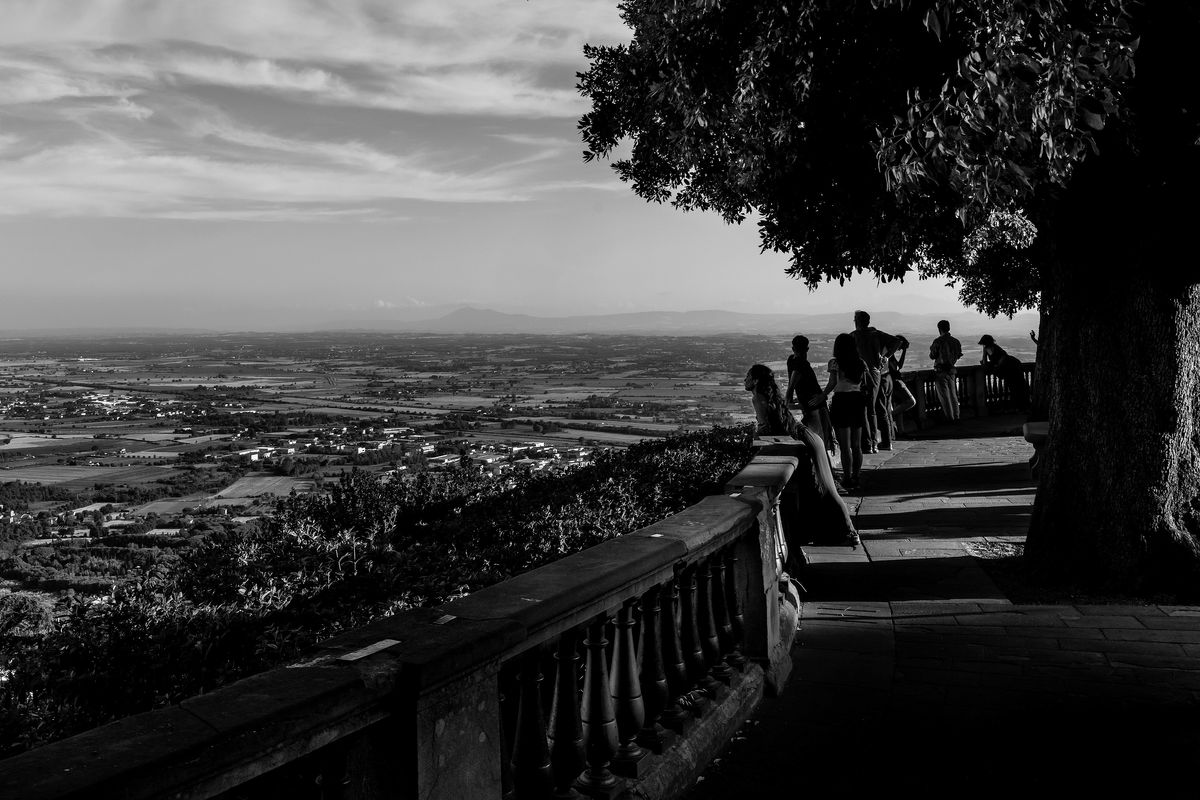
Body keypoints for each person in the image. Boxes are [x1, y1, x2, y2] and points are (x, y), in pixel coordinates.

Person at [745, 364, 859, 547]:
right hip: (808, 438)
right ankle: (846, 532)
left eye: (748, 376)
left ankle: (847, 533)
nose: (745, 380)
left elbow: (764, 429)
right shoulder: (769, 394)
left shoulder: (757, 398)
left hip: (804, 442)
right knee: (826, 488)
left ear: (756, 380)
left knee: (823, 489)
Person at [822, 334, 869, 491]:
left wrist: (822, 396)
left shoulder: (835, 362)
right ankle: (856, 476)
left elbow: (833, 383)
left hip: (842, 401)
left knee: (845, 445)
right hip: (858, 401)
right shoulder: (861, 363)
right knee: (856, 445)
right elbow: (865, 384)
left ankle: (847, 478)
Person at [850, 310, 902, 454]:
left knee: (868, 409)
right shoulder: (875, 333)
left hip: (863, 374)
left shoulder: (854, 336)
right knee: (879, 407)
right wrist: (886, 356)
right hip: (877, 373)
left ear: (857, 321)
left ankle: (870, 444)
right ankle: (887, 441)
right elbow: (897, 341)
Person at [785, 335, 833, 452]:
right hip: (816, 406)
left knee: (816, 443)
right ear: (807, 349)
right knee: (820, 442)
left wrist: (790, 402)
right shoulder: (801, 364)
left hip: (810, 405)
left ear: (793, 348)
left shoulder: (791, 361)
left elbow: (792, 386)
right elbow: (792, 385)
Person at [978, 334, 1030, 411]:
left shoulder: (993, 348)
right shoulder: (991, 348)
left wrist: (996, 366)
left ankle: (1020, 405)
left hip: (1010, 367)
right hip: (1010, 366)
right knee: (1016, 386)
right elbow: (986, 360)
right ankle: (1020, 405)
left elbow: (1001, 357)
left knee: (1016, 386)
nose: (983, 345)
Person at [929, 320, 963, 422]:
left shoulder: (938, 341)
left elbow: (932, 356)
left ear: (939, 329)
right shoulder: (956, 341)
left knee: (945, 396)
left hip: (940, 371)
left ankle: (950, 418)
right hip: (952, 370)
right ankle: (957, 416)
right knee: (953, 395)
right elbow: (958, 354)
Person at [888, 337, 917, 435]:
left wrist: (904, 351)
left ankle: (901, 431)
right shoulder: (889, 355)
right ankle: (889, 416)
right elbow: (896, 367)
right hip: (896, 381)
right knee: (911, 401)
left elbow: (899, 366)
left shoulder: (890, 355)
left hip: (894, 381)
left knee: (899, 405)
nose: (899, 349)